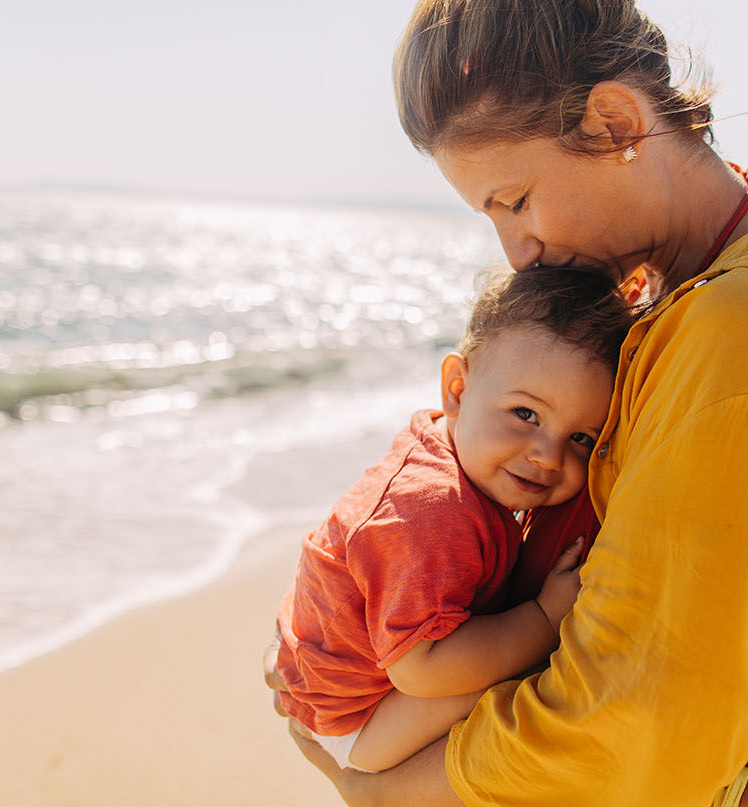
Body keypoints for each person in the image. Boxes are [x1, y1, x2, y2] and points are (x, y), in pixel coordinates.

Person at [267, 1, 748, 807]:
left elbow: (631, 710)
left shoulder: (745, 326)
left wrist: (383, 793)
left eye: (515, 201)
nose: (518, 253)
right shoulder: (703, 289)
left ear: (618, 125)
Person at [272, 266, 636, 774]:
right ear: (458, 390)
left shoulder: (454, 446)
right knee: (519, 680)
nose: (549, 457)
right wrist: (543, 619)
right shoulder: (434, 512)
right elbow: (420, 670)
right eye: (525, 415)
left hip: (335, 666)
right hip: (353, 719)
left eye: (582, 439)